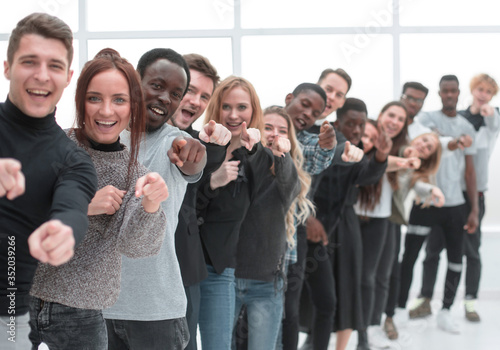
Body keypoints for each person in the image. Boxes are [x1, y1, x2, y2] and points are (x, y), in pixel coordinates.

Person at [28, 48, 169, 350]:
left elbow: (136, 246)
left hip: (80, 314)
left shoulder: (136, 175)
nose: (106, 111)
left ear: (133, 107)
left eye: (119, 100)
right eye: (95, 98)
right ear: (80, 101)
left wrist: (151, 205)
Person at [0, 13, 97, 349]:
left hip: (7, 318)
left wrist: (64, 232)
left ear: (68, 76)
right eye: (29, 61)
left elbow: (73, 208)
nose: (42, 75)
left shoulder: (74, 161)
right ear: (7, 67)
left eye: (54, 65)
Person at [103, 48, 207, 350]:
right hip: (97, 307)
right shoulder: (102, 138)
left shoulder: (176, 142)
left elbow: (192, 159)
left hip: (157, 311)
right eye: (157, 86)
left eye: (175, 93)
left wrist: (192, 155)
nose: (165, 98)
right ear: (136, 82)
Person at [308, 98, 391, 350]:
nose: (356, 130)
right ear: (337, 121)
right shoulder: (319, 142)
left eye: (361, 125)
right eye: (350, 124)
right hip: (309, 224)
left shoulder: (358, 149)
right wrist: (309, 218)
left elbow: (366, 175)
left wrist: (382, 155)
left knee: (343, 291)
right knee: (313, 295)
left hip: (342, 226)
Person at [196, 76, 271, 350]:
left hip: (220, 267)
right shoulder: (198, 146)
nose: (233, 115)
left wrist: (256, 151)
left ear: (253, 111)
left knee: (218, 345)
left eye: (241, 107)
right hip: (184, 264)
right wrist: (212, 181)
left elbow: (271, 191)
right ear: (216, 109)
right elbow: (185, 206)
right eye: (226, 106)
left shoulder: (256, 157)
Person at [421, 74, 499, 323]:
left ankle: (470, 302)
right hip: (450, 194)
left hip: (474, 195)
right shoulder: (458, 119)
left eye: (489, 91)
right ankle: (424, 300)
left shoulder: (492, 120)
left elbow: (494, 125)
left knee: (471, 251)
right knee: (434, 248)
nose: (483, 94)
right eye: (479, 89)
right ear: (472, 90)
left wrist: (489, 112)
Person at [233, 106, 311, 350]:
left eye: (282, 131)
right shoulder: (239, 160)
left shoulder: (285, 174)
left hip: (266, 282)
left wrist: (281, 156)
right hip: (226, 277)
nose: (274, 134)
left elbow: (290, 186)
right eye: (268, 128)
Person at [168, 53, 230, 350]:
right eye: (190, 90)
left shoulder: (203, 144)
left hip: (187, 266)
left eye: (204, 96)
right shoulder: (129, 135)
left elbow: (201, 184)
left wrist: (215, 150)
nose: (196, 101)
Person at [409, 75, 478, 334]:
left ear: (459, 93)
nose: (449, 95)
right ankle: (416, 304)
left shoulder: (467, 127)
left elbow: (470, 173)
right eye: (445, 91)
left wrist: (474, 209)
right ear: (440, 94)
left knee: (455, 260)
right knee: (423, 255)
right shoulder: (426, 120)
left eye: (453, 91)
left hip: (456, 204)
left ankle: (446, 310)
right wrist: (451, 141)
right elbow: (423, 144)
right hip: (429, 200)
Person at [354, 101, 409, 349]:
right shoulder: (365, 136)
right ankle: (350, 328)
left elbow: (404, 164)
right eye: (391, 115)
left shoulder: (402, 148)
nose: (395, 121)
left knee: (375, 277)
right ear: (381, 116)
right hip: (352, 217)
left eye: (401, 118)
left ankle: (369, 329)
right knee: (355, 276)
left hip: (382, 219)